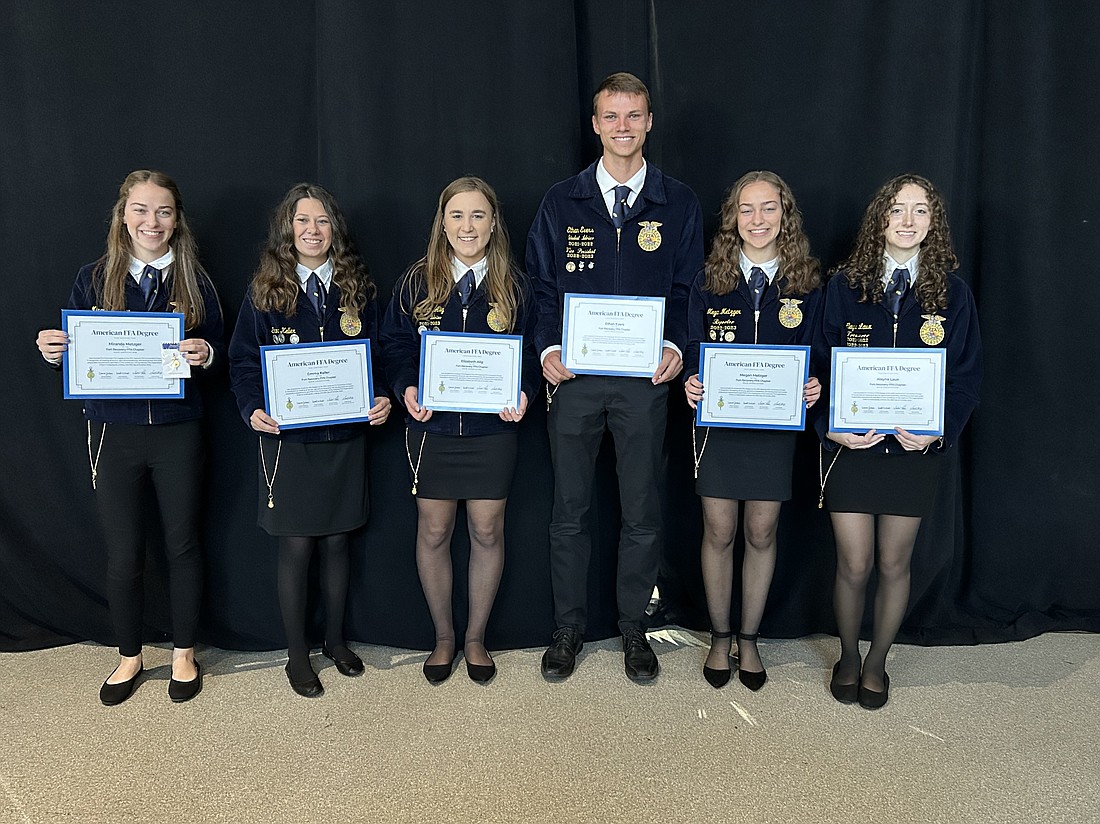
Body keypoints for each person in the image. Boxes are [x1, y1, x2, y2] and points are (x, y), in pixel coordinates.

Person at [527, 71, 704, 682]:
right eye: (612, 116)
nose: (623, 127)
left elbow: (689, 289)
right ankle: (569, 628)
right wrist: (547, 348)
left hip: (644, 384)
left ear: (649, 122)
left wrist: (680, 345)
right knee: (569, 511)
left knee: (643, 510)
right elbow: (542, 287)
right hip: (572, 379)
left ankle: (635, 627)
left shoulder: (677, 201)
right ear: (596, 125)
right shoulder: (561, 201)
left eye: (635, 115)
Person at [35, 170, 223, 705]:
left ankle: (184, 652)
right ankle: (129, 655)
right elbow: (73, 350)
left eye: (163, 211)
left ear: (177, 220)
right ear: (123, 216)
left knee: (183, 543)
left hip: (177, 432)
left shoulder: (196, 281)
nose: (152, 221)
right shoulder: (93, 278)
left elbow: (223, 348)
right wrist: (54, 352)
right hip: (113, 433)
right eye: (141, 209)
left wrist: (205, 353)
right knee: (122, 552)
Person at [815, 173, 982, 709]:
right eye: (897, 210)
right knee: (854, 563)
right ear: (879, 219)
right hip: (850, 447)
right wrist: (827, 425)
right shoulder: (842, 285)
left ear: (935, 224)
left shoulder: (952, 295)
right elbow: (817, 367)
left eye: (921, 212)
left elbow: (964, 381)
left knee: (893, 563)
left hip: (913, 451)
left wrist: (936, 433)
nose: (908, 222)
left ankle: (877, 661)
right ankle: (846, 653)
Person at [228, 183, 390, 698]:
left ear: (334, 229)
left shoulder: (358, 288)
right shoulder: (264, 290)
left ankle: (335, 641)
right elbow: (242, 362)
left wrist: (383, 395)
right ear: (287, 229)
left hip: (344, 436)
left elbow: (380, 357)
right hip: (288, 441)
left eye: (322, 221)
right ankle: (297, 654)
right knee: (297, 547)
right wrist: (251, 407)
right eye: (303, 221)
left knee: (340, 541)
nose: (313, 231)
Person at [380, 176, 537, 684]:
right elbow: (395, 345)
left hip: (493, 432)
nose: (467, 227)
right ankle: (444, 635)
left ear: (493, 223)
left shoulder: (515, 283)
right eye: (457, 216)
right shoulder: (415, 281)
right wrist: (406, 387)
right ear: (441, 222)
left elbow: (536, 350)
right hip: (432, 430)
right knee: (434, 529)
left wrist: (525, 391)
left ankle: (475, 638)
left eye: (478, 216)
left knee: (488, 530)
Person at [683, 171, 823, 690]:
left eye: (768, 208)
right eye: (746, 209)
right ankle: (720, 636)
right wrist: (691, 383)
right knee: (718, 530)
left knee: (761, 532)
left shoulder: (807, 281)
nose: (757, 220)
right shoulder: (707, 279)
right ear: (732, 218)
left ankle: (749, 638)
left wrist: (816, 386)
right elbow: (692, 346)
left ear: (784, 215)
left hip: (774, 428)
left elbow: (821, 353)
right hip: (718, 427)